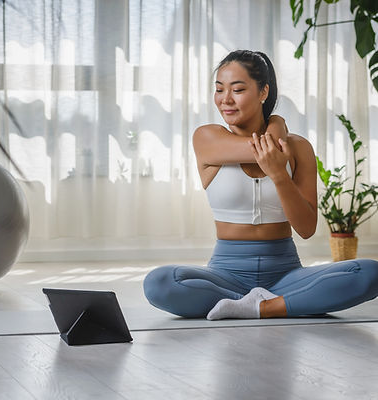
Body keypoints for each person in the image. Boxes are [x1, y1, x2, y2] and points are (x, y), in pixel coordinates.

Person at [143, 50, 378, 320]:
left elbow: (305, 229)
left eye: (238, 89)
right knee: (159, 283)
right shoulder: (208, 138)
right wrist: (277, 122)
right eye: (219, 90)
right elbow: (268, 147)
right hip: (225, 274)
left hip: (286, 273)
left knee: (370, 274)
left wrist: (279, 174)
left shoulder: (299, 149)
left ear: (263, 92)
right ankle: (286, 304)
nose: (225, 99)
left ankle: (257, 306)